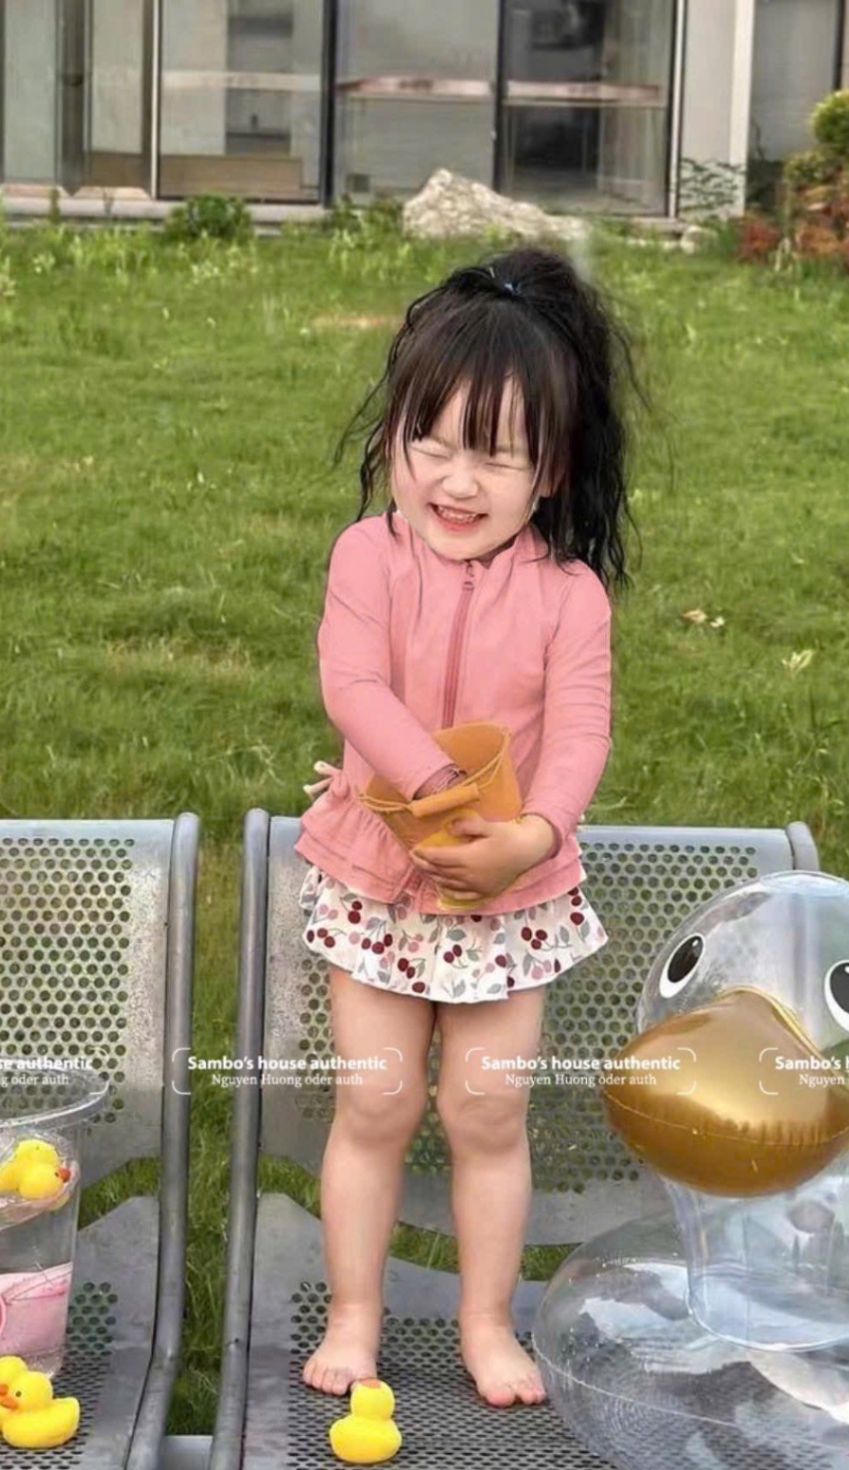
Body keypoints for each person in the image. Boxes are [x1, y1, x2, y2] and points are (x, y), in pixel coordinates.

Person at [295, 245, 637, 1407]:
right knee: (376, 1102)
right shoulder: (367, 556)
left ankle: (488, 1323)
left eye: (494, 454)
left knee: (486, 1112)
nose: (454, 479)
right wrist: (441, 791)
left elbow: (580, 734)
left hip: (512, 894)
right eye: (428, 441)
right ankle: (354, 1314)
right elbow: (353, 687)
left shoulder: (570, 597)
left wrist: (531, 837)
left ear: (552, 468)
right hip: (377, 881)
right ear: (393, 434)